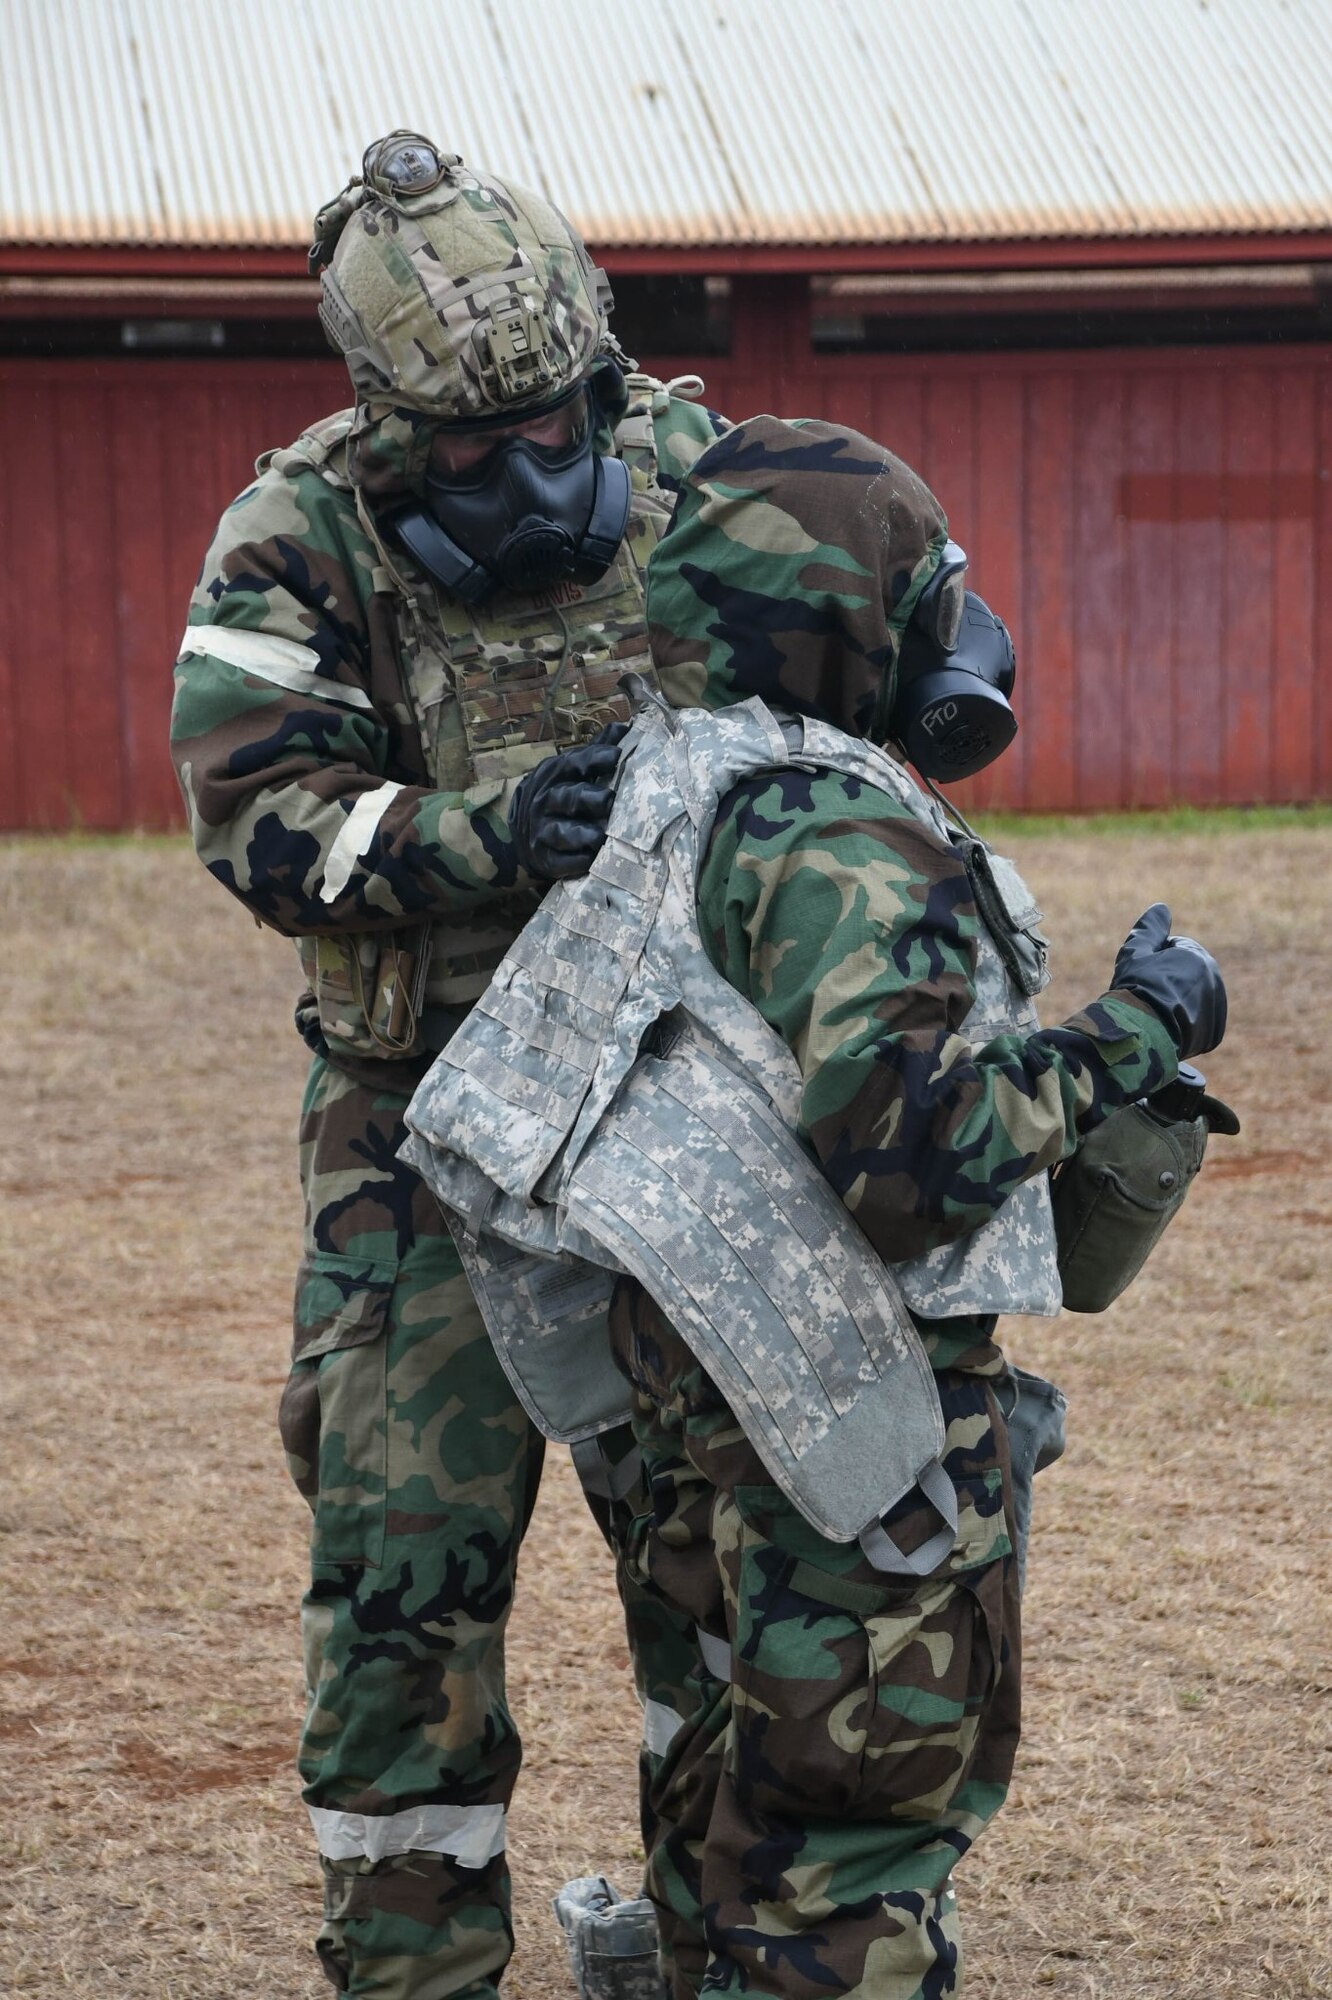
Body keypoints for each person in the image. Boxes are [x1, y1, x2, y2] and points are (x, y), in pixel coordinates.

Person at [401, 415, 1228, 1999]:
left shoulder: (681, 779)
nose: (953, 623)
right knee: (838, 1881)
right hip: (849, 1446)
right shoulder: (839, 835)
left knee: (731, 1830)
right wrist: (1139, 1025)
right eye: (926, 584)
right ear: (851, 617)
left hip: (716, 1403)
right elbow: (907, 1170)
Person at [169, 130, 727, 1998]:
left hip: (682, 1110)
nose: (533, 472)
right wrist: (494, 834)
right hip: (422, 1135)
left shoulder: (686, 466)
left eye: (559, 424)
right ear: (381, 418)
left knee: (730, 1565)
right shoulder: (296, 534)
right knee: (402, 1587)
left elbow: (868, 648)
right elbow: (257, 820)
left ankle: (732, 1941)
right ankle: (412, 1965)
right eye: (473, 453)